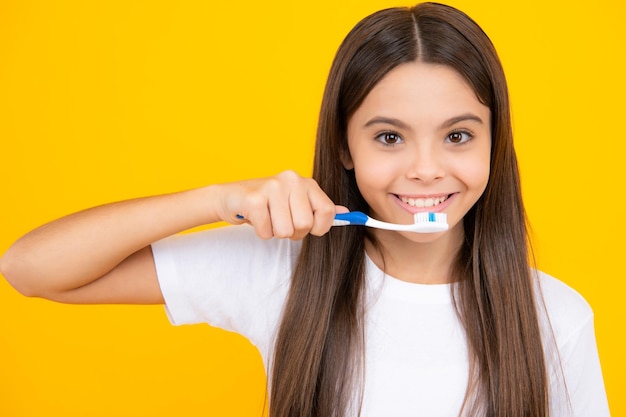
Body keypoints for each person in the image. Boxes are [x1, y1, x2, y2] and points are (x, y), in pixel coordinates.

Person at [0, 3, 610, 416]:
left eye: (457, 136)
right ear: (344, 146)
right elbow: (30, 268)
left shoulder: (555, 316)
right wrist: (220, 200)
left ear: (495, 142)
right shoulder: (281, 272)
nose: (426, 168)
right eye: (389, 137)